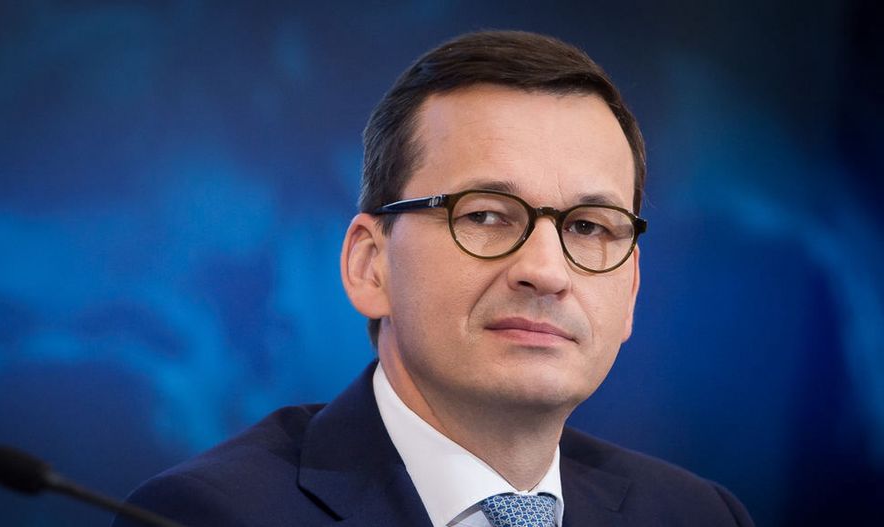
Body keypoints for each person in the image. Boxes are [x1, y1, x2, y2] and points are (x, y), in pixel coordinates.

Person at [114, 30, 754, 527]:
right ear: (370, 264)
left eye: (588, 227)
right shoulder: (209, 516)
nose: (545, 272)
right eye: (485, 216)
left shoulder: (699, 515)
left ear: (632, 289)